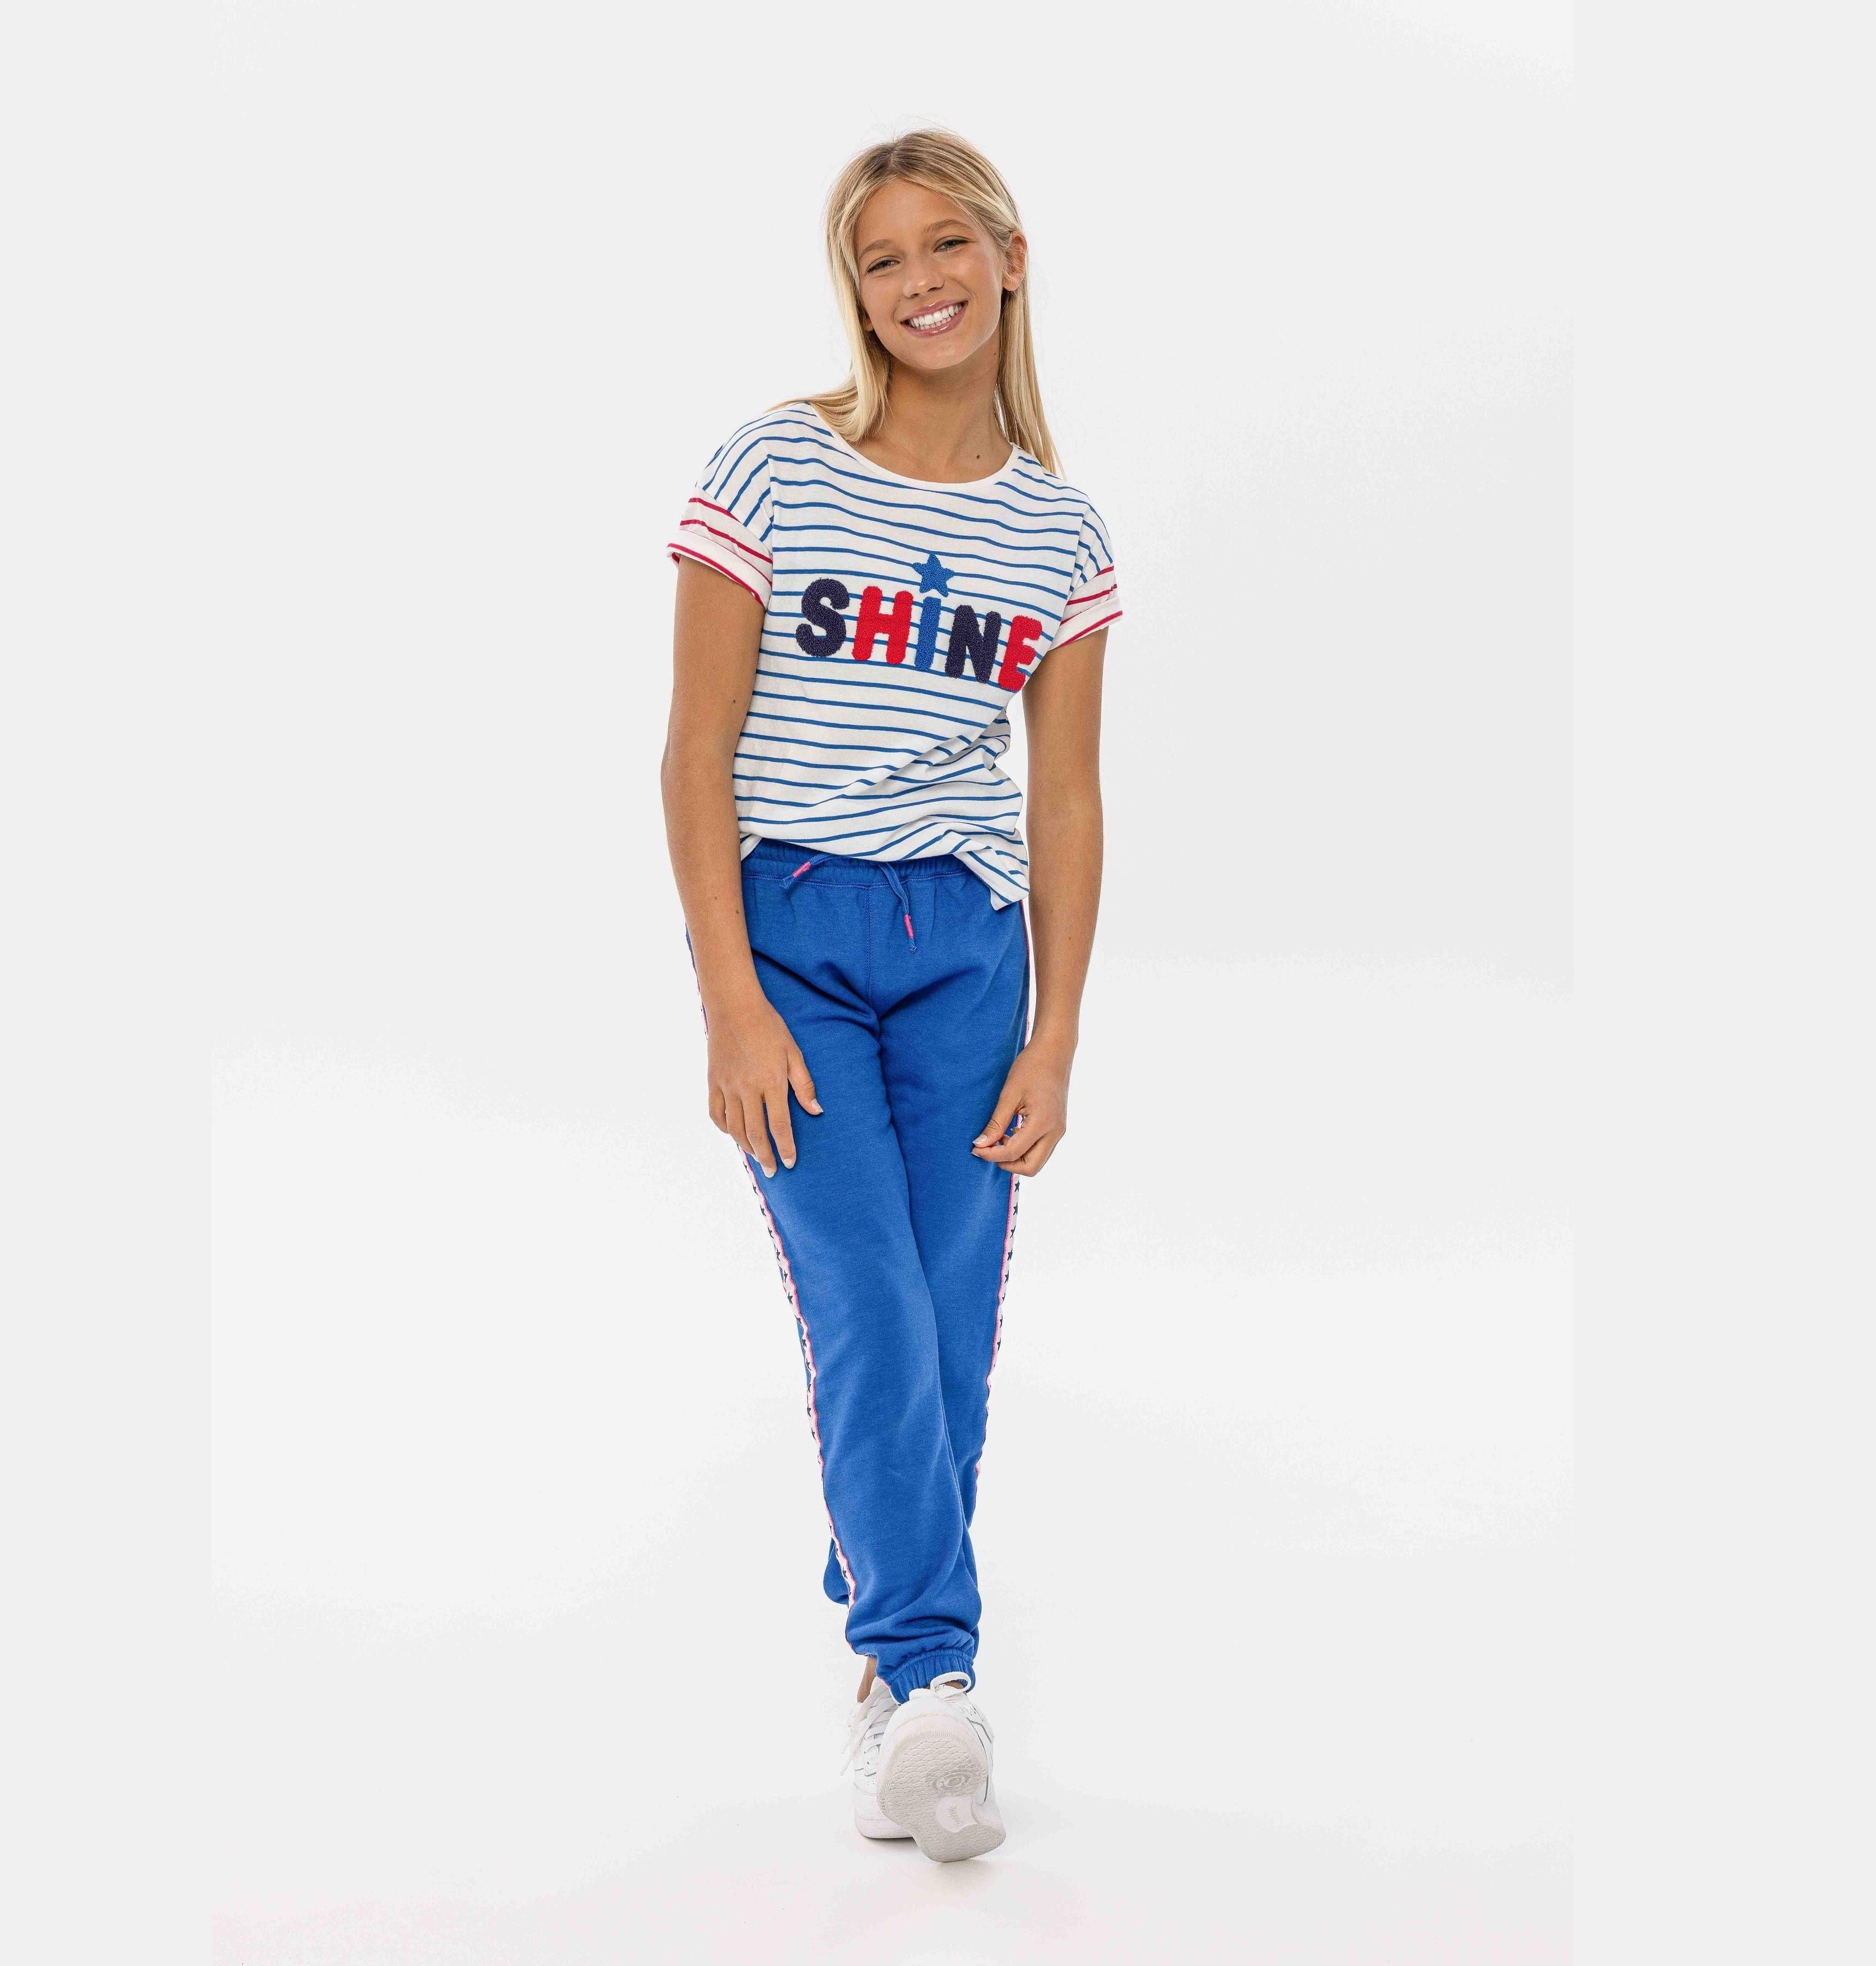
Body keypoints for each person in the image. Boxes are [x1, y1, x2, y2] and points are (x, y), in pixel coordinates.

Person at [659, 129, 1120, 1863]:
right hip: (791, 929)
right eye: (879, 257)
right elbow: (693, 749)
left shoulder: (1061, 529)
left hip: (969, 953)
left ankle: (888, 1665)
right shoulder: (776, 463)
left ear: (1007, 256)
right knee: (861, 1293)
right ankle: (930, 1674)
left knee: (949, 1310)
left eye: (947, 244)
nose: (917, 280)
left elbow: (1062, 797)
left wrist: (1057, 1035)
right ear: (852, 290)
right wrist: (728, 995)